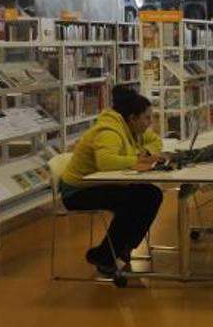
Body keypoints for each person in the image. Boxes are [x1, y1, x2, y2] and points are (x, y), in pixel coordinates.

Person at [59, 86, 164, 276]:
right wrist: (139, 159)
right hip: (77, 190)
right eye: (147, 118)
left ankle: (125, 248)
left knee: (152, 193)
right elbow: (106, 162)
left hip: (100, 183)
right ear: (132, 118)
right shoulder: (109, 130)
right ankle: (106, 255)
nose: (150, 123)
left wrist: (145, 152)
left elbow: (156, 141)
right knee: (132, 200)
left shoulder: (132, 126)